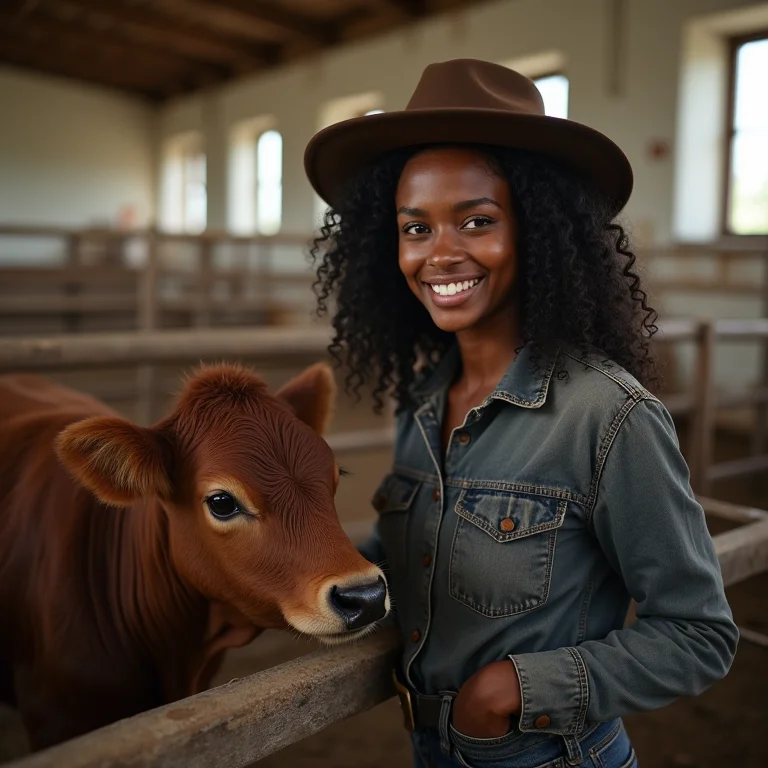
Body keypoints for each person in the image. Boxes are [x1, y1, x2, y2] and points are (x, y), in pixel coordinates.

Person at [303, 59, 738, 768]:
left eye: (476, 221)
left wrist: (515, 687)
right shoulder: (421, 403)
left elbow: (698, 635)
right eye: (415, 228)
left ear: (538, 231)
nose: (439, 254)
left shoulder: (607, 416)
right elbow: (420, 556)